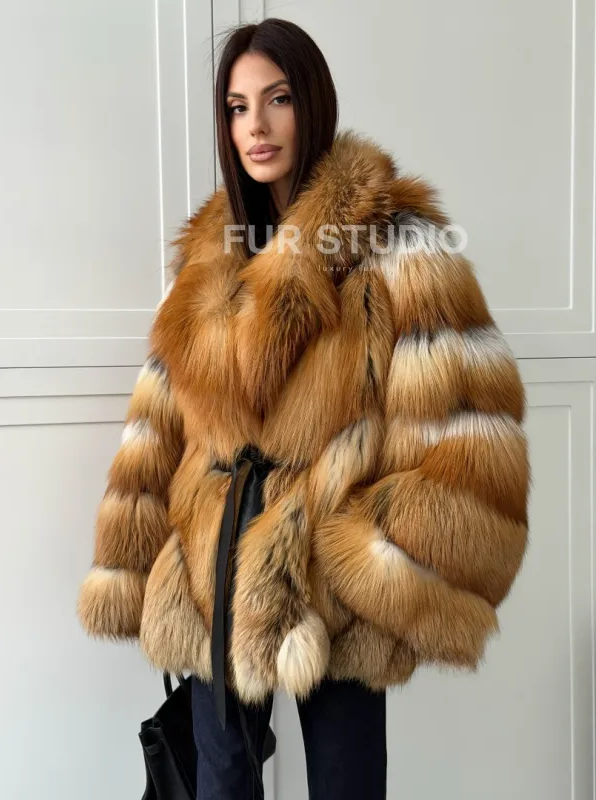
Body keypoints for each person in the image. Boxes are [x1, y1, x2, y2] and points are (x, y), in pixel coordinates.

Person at [77, 16, 531, 800]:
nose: (256, 125)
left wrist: (362, 554)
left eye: (277, 98)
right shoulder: (207, 257)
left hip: (330, 579)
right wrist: (139, 559)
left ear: (312, 102)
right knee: (220, 781)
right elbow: (159, 422)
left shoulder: (396, 241)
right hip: (217, 571)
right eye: (237, 106)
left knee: (348, 784)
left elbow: (470, 429)